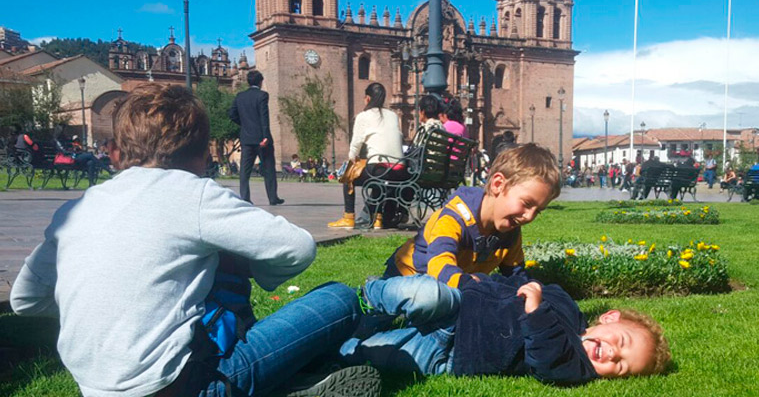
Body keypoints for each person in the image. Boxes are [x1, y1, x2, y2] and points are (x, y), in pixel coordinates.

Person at [10, 83, 378, 397]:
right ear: (203, 156)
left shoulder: (75, 210)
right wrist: (247, 267)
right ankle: (287, 379)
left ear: (118, 152)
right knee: (339, 300)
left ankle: (296, 373)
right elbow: (298, 247)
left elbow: (24, 299)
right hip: (188, 385)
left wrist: (101, 296)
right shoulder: (193, 192)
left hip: (93, 387)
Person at [341, 274, 670, 385]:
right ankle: (370, 296)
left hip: (454, 356)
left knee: (376, 352)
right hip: (462, 308)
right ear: (610, 317)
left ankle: (340, 348)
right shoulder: (566, 304)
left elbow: (546, 362)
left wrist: (537, 312)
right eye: (622, 343)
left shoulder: (576, 367)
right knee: (426, 293)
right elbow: (520, 285)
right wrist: (490, 281)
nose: (613, 355)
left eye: (622, 366)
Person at [383, 144, 559, 288]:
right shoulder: (454, 218)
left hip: (451, 286)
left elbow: (515, 273)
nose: (529, 216)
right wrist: (469, 285)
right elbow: (439, 265)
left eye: (537, 211)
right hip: (407, 276)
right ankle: (370, 295)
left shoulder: (510, 231)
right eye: (527, 204)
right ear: (498, 185)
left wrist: (529, 289)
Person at [328, 82, 404, 230]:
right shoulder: (393, 116)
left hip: (380, 168)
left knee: (348, 176)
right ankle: (377, 219)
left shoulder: (363, 116)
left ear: (367, 99)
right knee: (377, 179)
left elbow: (356, 143)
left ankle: (348, 217)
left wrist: (351, 159)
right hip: (399, 170)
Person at [229, 70, 284, 206]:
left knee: (244, 170)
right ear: (260, 82)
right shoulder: (262, 95)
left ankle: (245, 198)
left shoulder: (240, 96)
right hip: (261, 138)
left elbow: (231, 114)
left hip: (246, 139)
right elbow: (263, 116)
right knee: (269, 168)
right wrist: (265, 136)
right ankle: (272, 197)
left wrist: (244, 124)